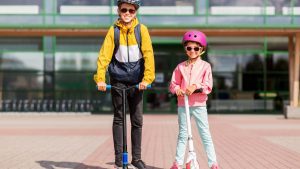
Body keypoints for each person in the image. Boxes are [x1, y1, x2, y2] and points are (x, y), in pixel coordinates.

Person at [94, 0, 155, 168]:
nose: (127, 13)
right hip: (118, 79)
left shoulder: (141, 30)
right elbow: (104, 56)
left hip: (137, 80)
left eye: (131, 10)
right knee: (119, 118)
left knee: (137, 119)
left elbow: (148, 55)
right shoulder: (113, 31)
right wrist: (100, 78)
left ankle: (136, 158)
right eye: (124, 10)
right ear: (119, 11)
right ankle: (119, 158)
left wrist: (147, 79)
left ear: (135, 12)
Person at [169, 30, 219, 169]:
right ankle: (177, 163)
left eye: (196, 48)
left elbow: (208, 86)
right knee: (183, 134)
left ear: (201, 49)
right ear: (185, 49)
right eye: (189, 48)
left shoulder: (205, 66)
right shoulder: (180, 67)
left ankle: (213, 163)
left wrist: (195, 86)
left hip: (199, 105)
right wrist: (177, 89)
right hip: (183, 104)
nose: (192, 51)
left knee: (205, 134)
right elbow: (173, 84)